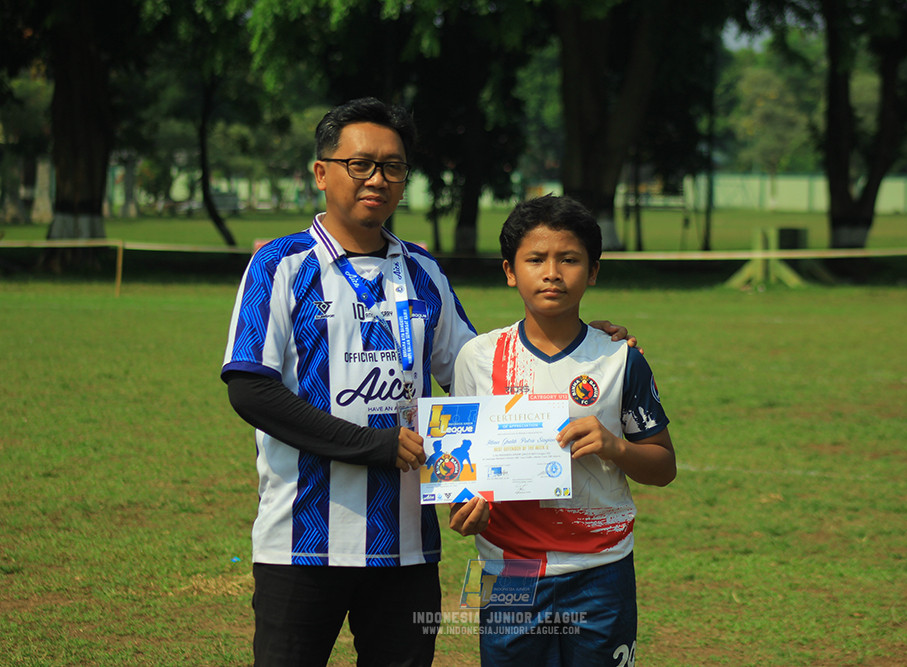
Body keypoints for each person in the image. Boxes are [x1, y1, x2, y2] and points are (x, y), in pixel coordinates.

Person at [221, 98, 635, 667]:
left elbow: (481, 373)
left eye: (393, 167)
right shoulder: (280, 265)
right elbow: (251, 389)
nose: (377, 179)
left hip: (407, 547)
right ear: (322, 173)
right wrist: (376, 446)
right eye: (359, 164)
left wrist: (584, 337)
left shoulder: (421, 270)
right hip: (301, 542)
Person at [447, 194, 677, 667]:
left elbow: (663, 466)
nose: (552, 272)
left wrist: (614, 447)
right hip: (507, 568)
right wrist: (463, 506)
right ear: (510, 270)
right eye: (535, 259)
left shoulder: (618, 359)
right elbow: (461, 466)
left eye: (569, 259)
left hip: (600, 568)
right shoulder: (478, 358)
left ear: (593, 271)